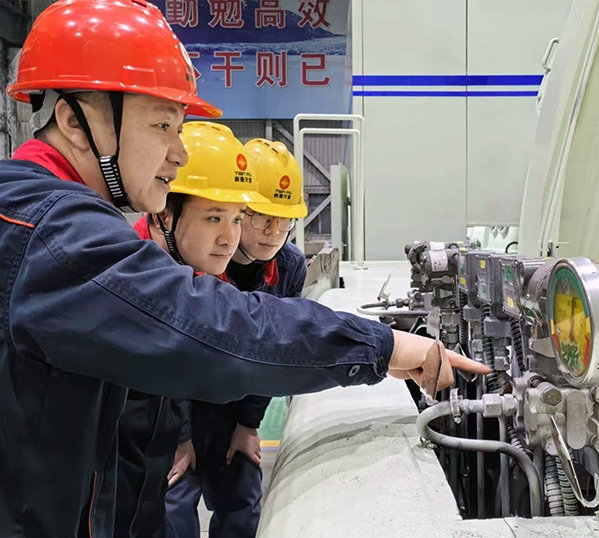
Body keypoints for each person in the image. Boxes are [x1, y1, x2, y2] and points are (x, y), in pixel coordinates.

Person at [0, 1, 489, 535]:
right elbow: (209, 326)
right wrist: (381, 346)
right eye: (162, 125)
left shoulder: (47, 217)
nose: (178, 155)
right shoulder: (51, 235)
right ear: (76, 122)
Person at [114, 122, 266, 537]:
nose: (229, 239)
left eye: (237, 219)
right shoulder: (125, 281)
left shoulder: (209, 274)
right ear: (165, 212)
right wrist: (177, 437)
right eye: (214, 217)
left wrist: (248, 421)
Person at [165, 137, 308, 538]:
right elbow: (170, 354)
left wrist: (249, 422)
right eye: (261, 218)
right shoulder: (188, 257)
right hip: (176, 400)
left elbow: (274, 351)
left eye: (285, 222)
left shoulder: (289, 266)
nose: (274, 234)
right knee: (172, 507)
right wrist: (180, 435)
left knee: (243, 502)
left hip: (235, 400)